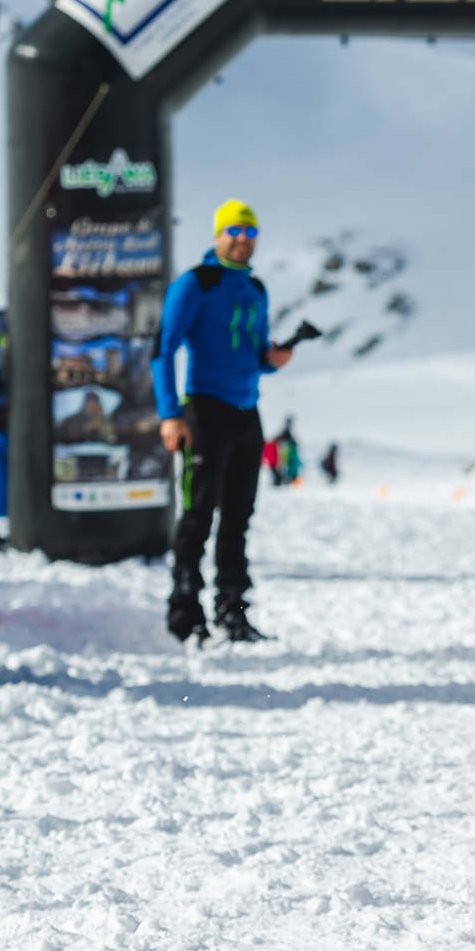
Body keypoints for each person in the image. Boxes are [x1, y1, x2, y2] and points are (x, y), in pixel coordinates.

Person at [156, 199, 294, 643]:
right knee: (199, 514)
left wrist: (274, 359)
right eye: (233, 231)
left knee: (239, 517)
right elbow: (162, 349)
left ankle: (233, 612)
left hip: (245, 412)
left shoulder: (256, 289)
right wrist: (170, 414)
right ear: (217, 235)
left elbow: (255, 354)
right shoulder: (196, 283)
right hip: (203, 410)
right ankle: (184, 611)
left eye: (250, 233)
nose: (241, 240)